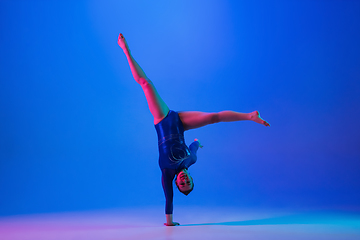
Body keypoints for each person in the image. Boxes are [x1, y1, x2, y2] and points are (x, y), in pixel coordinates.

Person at [118, 33, 270, 226]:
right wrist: (198, 143)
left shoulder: (167, 171)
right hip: (180, 122)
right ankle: (249, 116)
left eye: (181, 184)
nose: (183, 180)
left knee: (146, 84)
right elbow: (193, 146)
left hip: (163, 120)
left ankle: (126, 51)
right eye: (188, 182)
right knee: (214, 117)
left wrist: (170, 222)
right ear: (191, 177)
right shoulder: (192, 159)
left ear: (177, 183)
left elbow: (169, 200)